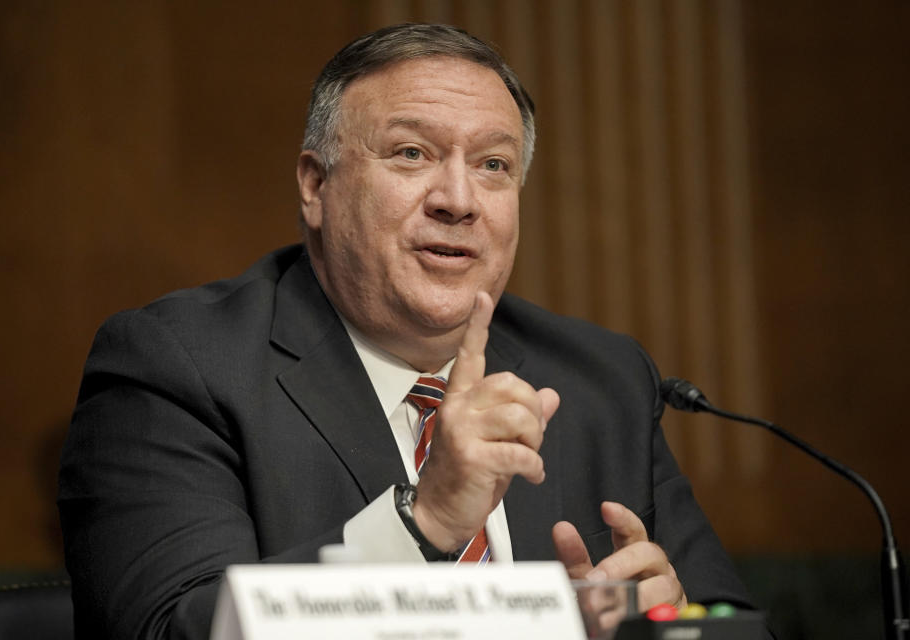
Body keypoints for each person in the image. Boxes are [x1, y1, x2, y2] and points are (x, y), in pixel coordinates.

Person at [58, 23, 756, 640]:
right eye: (411, 154)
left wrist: (676, 620)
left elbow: (733, 624)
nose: (457, 200)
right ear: (315, 185)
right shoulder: (180, 367)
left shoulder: (601, 379)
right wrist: (421, 524)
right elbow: (169, 627)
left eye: (493, 165)